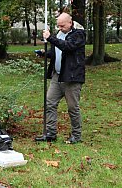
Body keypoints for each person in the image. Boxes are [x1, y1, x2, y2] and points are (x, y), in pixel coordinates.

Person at [34, 12, 86, 144]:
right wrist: (45, 53)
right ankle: (50, 133)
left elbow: (68, 47)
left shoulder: (78, 34)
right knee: (50, 102)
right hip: (57, 75)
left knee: (72, 107)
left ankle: (76, 135)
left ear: (70, 22)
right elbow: (57, 52)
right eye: (58, 26)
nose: (60, 28)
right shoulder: (59, 34)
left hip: (72, 77)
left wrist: (50, 38)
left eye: (62, 26)